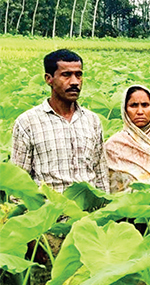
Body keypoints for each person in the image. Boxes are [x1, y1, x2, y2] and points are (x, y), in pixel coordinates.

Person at [11, 49, 109, 192]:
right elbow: (20, 180)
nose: (75, 82)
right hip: (50, 210)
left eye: (79, 75)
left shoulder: (92, 120)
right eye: (66, 75)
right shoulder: (28, 122)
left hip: (89, 212)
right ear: (48, 79)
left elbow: (100, 174)